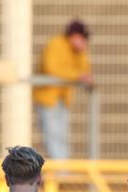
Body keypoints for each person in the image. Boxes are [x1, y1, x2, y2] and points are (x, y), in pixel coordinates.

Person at [33, 20, 92, 159]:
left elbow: (85, 70)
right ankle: (61, 171)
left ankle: (63, 170)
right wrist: (77, 75)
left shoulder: (77, 52)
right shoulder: (55, 44)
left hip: (62, 99)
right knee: (52, 136)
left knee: (62, 136)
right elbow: (51, 68)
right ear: (73, 35)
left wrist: (80, 53)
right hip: (48, 98)